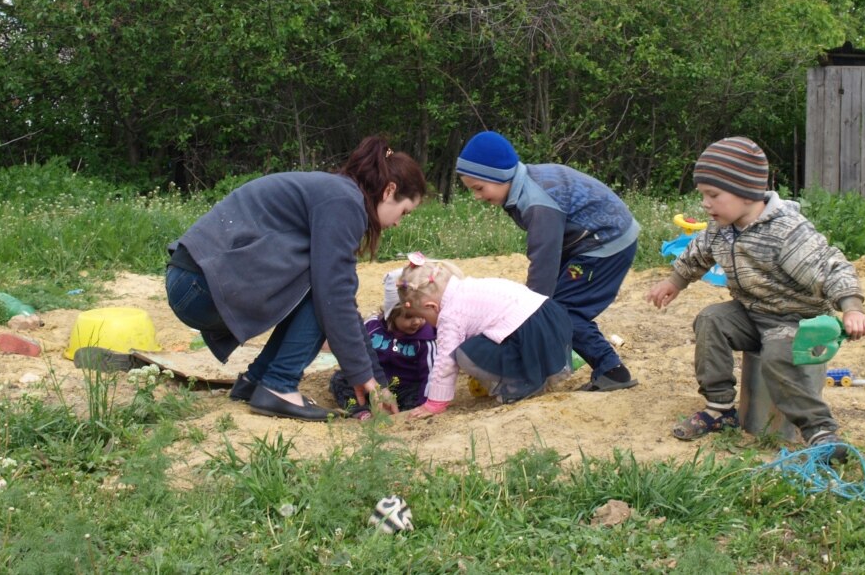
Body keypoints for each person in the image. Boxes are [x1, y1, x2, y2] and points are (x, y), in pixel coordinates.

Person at [165, 136, 426, 421]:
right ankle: (279, 385)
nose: (399, 222)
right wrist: (364, 376)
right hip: (201, 285)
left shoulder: (336, 194)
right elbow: (334, 299)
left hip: (190, 281)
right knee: (325, 291)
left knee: (324, 284)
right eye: (404, 211)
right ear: (389, 190)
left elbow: (340, 298)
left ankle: (258, 381)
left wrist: (375, 378)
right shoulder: (345, 202)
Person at [644, 136, 865, 462]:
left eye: (713, 195)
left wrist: (851, 307)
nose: (705, 204)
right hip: (753, 311)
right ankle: (720, 408)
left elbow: (830, 267)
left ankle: (819, 429)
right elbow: (698, 253)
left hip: (796, 318)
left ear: (746, 191)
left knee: (779, 353)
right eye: (703, 195)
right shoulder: (722, 228)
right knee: (711, 320)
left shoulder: (786, 231)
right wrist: (674, 281)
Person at [454, 131, 639, 392]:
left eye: (479, 188)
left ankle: (612, 370)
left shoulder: (537, 201)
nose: (477, 196)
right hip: (586, 242)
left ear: (500, 175)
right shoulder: (523, 184)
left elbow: (544, 258)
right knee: (554, 306)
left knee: (562, 312)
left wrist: (527, 316)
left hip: (607, 242)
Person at [396, 255, 573, 417]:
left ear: (431, 307)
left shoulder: (450, 314)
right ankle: (542, 374)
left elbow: (446, 362)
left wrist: (435, 403)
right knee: (485, 344)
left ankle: (523, 383)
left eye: (424, 318)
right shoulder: (469, 286)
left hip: (530, 333)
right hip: (551, 318)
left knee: (463, 355)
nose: (426, 323)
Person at [328, 267, 437, 418]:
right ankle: (360, 411)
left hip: (405, 387)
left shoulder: (425, 340)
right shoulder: (372, 327)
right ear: (391, 315)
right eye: (409, 317)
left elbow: (431, 374)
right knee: (339, 380)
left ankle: (399, 414)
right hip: (372, 384)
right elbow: (356, 352)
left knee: (417, 395)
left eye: (421, 315)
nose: (417, 322)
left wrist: (425, 403)